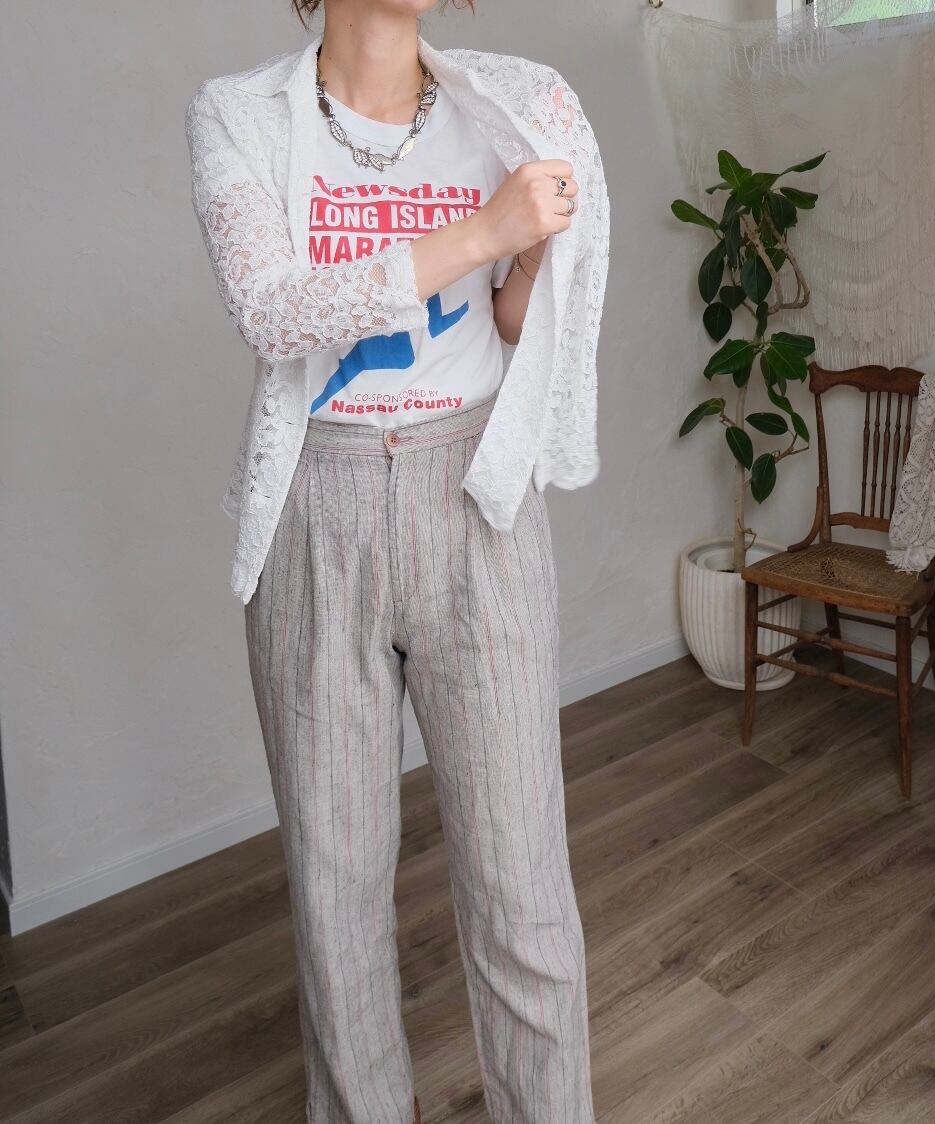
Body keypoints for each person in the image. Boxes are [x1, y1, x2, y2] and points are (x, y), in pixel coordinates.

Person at [185, 1, 608, 1120]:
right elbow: (275, 312)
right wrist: (482, 230)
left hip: (475, 496)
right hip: (316, 507)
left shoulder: (504, 107)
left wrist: (532, 253)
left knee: (524, 893)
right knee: (336, 902)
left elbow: (511, 325)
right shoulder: (240, 115)